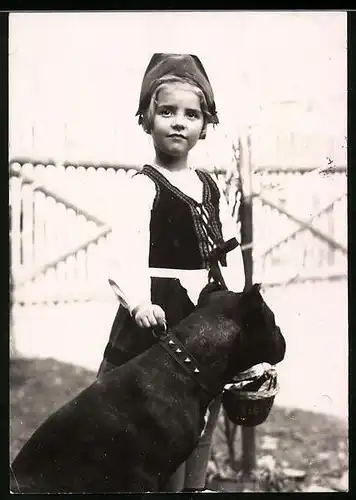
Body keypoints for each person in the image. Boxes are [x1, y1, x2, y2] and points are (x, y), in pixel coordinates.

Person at [97, 53, 245, 492]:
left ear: (205, 126)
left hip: (205, 312)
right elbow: (126, 250)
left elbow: (227, 247)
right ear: (146, 120)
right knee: (161, 415)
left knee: (202, 407)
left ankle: (193, 487)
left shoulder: (209, 186)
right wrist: (139, 302)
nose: (178, 122)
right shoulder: (145, 186)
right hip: (161, 313)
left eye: (191, 114)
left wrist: (235, 302)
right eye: (167, 112)